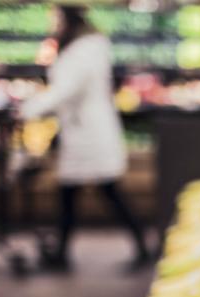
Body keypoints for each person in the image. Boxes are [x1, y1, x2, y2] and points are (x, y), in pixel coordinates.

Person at [18, 5, 150, 271]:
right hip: (81, 131)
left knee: (105, 191)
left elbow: (67, 90)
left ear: (68, 19)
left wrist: (29, 108)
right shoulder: (86, 47)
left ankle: (141, 248)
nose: (53, 23)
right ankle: (63, 253)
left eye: (56, 18)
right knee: (72, 193)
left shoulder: (83, 50)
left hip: (89, 132)